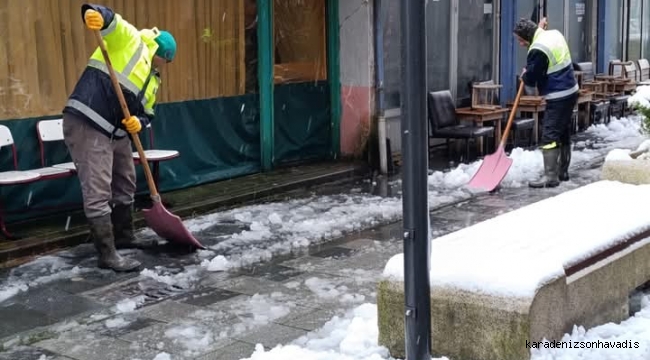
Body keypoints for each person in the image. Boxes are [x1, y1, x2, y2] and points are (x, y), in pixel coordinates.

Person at [62, 3, 177, 272]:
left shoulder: (153, 79)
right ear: (160, 53)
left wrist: (140, 121)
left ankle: (124, 236)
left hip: (117, 132)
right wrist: (95, 14)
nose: (165, 66)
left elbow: (148, 112)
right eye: (166, 61)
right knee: (98, 187)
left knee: (126, 181)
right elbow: (112, 20)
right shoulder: (131, 39)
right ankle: (107, 253)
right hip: (88, 121)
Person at [514, 17, 578, 188]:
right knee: (562, 132)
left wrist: (525, 75)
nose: (520, 44)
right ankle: (562, 172)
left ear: (528, 36)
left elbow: (533, 78)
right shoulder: (553, 35)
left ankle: (550, 177)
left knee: (549, 135)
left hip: (558, 94)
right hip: (571, 90)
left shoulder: (537, 49)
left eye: (521, 40)